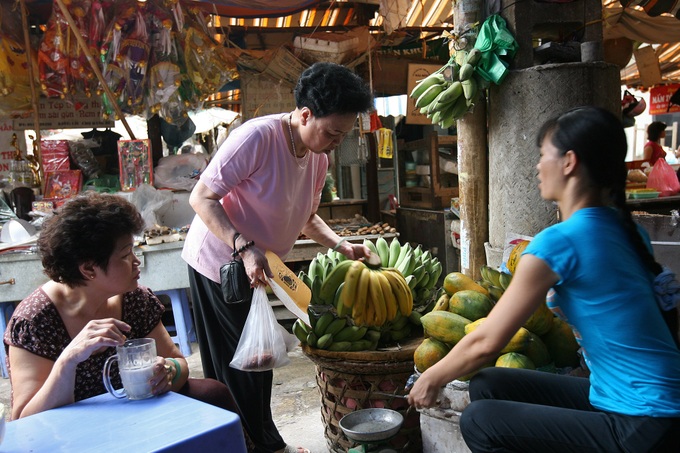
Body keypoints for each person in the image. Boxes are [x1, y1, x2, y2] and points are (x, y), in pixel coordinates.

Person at [407, 107, 680, 452]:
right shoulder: (628, 230)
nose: (537, 166)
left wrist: (432, 376)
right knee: (490, 383)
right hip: (645, 404)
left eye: (543, 155)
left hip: (643, 423)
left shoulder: (560, 242)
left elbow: (487, 342)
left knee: (480, 419)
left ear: (569, 162)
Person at [181, 62, 374, 453]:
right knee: (239, 366)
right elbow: (201, 197)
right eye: (332, 131)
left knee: (260, 359)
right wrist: (243, 246)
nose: (337, 141)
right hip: (219, 263)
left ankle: (261, 441)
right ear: (305, 114)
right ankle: (256, 444)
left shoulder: (317, 156)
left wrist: (342, 245)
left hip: (257, 267)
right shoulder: (256, 138)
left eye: (343, 133)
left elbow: (305, 215)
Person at [3, 192, 253, 448]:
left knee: (213, 393)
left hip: (137, 416)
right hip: (75, 432)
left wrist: (167, 372)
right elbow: (24, 421)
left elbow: (178, 363)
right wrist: (68, 361)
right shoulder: (35, 321)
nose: (136, 262)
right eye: (125, 255)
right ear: (89, 269)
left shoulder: (134, 300)